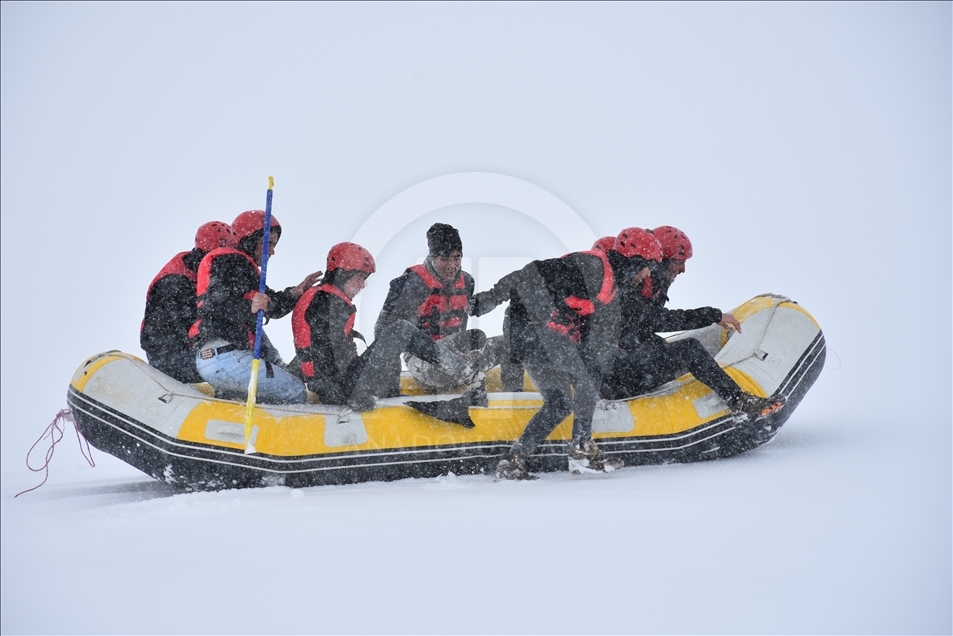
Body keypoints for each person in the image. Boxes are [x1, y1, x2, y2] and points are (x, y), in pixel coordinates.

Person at [470, 227, 663, 480]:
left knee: (560, 404)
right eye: (648, 266)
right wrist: (489, 299)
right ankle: (581, 449)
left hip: (536, 336)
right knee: (592, 367)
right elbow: (529, 274)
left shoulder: (612, 284)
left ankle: (513, 461)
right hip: (531, 331)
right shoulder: (593, 266)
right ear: (634, 259)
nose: (648, 273)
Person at [601, 225, 783, 421]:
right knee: (690, 349)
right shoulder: (630, 286)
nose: (683, 269)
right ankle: (739, 401)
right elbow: (655, 320)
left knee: (657, 344)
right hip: (617, 372)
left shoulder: (647, 281)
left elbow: (643, 325)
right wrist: (710, 315)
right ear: (661, 261)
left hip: (617, 362)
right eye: (679, 262)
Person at [292, 242, 479, 412]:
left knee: (390, 342)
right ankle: (460, 369)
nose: (362, 285)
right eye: (358, 278)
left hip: (346, 380)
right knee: (400, 330)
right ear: (342, 274)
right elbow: (319, 356)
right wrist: (344, 395)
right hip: (341, 387)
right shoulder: (324, 302)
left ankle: (392, 396)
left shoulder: (326, 299)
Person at [189, 210, 321, 404]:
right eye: (269, 243)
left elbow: (271, 306)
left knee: (273, 389)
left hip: (219, 358)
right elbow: (212, 303)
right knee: (295, 391)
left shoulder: (242, 268)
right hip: (226, 357)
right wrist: (248, 306)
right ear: (250, 239)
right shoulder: (231, 261)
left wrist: (296, 292)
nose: (273, 251)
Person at [375, 222, 522, 395]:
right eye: (444, 258)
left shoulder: (467, 282)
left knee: (510, 342)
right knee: (474, 338)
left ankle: (517, 399)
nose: (451, 265)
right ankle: (469, 379)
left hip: (459, 359)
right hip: (424, 363)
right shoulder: (410, 283)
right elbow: (383, 334)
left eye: (457, 258)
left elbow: (463, 326)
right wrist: (389, 386)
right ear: (432, 257)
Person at [140, 221, 236, 383]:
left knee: (233, 353)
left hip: (190, 353)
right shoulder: (175, 283)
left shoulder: (203, 271)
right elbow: (185, 332)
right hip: (169, 360)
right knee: (230, 362)